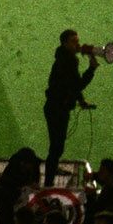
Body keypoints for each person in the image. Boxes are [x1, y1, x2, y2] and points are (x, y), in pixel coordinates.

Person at [43, 30, 99, 185]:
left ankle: (51, 172)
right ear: (65, 44)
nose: (78, 44)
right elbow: (76, 84)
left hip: (57, 107)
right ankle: (48, 182)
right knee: (56, 147)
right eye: (74, 41)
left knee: (57, 146)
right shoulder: (68, 61)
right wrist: (91, 70)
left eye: (77, 40)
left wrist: (80, 100)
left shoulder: (65, 58)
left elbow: (71, 85)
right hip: (58, 108)